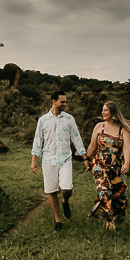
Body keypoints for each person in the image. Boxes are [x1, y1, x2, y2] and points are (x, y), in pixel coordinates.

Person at [30, 89, 87, 231]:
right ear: (54, 101)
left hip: (65, 158)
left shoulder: (69, 119)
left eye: (65, 102)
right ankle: (57, 220)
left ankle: (65, 200)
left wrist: (84, 157)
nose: (65, 104)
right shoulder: (43, 120)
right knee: (51, 191)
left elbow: (76, 138)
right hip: (48, 159)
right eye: (62, 102)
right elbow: (38, 140)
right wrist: (34, 160)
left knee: (67, 187)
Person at [82, 101, 130, 230]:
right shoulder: (99, 126)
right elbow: (93, 146)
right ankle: (109, 221)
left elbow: (127, 148)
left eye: (105, 110)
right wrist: (86, 158)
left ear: (113, 112)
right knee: (104, 191)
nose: (103, 112)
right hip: (99, 165)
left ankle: (115, 219)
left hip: (117, 167)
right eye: (102, 110)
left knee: (119, 196)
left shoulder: (124, 129)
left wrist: (127, 163)